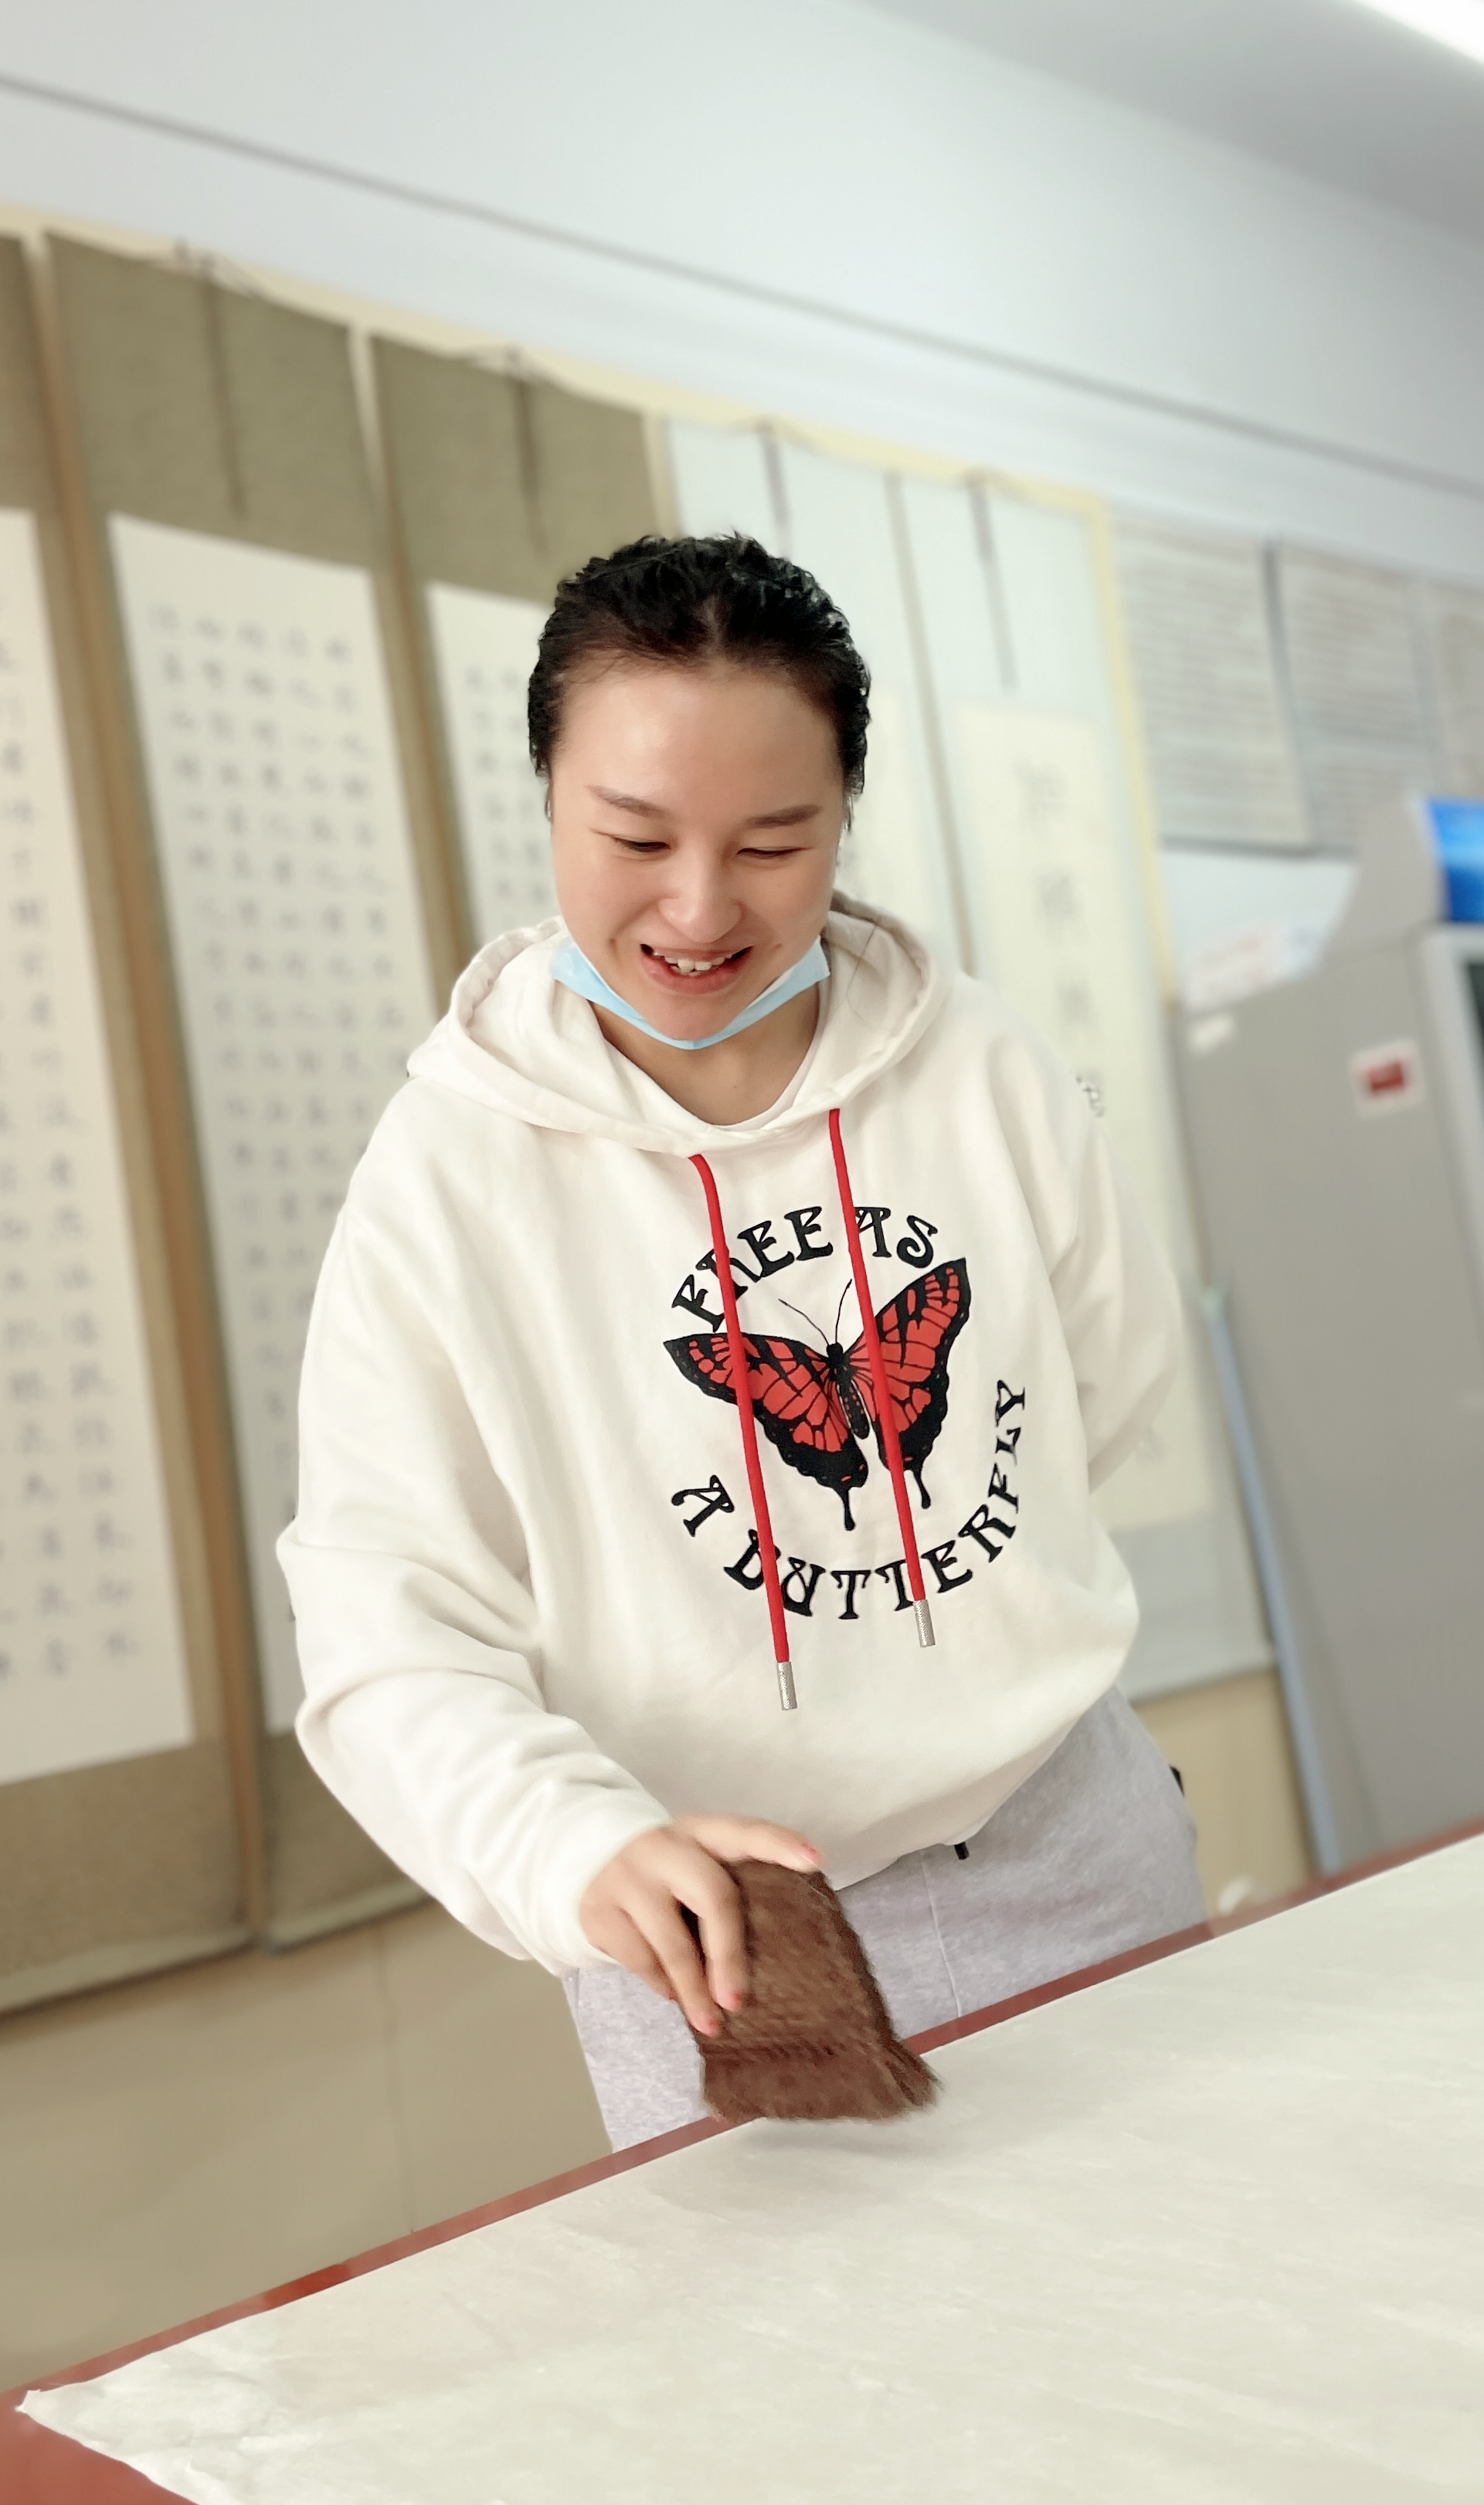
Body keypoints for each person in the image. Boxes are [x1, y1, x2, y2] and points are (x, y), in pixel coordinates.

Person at [280, 532, 1204, 2146]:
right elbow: (385, 1622)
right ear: (547, 796)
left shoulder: (982, 1070)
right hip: (725, 1948)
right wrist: (566, 1848)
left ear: (846, 814)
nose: (699, 908)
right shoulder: (449, 1173)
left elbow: (1103, 1388)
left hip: (1077, 1843)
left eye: (775, 842)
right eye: (634, 836)